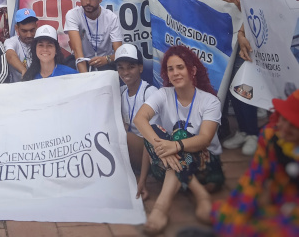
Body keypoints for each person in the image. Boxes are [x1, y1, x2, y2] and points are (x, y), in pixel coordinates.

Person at [134, 45, 223, 236]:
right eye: (170, 69)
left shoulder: (210, 101)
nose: (175, 73)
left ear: (192, 70)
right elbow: (140, 120)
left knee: (179, 135)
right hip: (170, 163)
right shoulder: (163, 94)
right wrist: (143, 178)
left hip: (206, 167)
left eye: (180, 67)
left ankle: (161, 208)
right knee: (154, 130)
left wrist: (175, 145)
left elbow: (205, 139)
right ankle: (200, 194)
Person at [212, 89, 299, 237]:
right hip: (278, 203)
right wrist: (240, 213)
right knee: (224, 215)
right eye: (284, 119)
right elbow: (253, 178)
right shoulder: (271, 137)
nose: (284, 128)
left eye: (294, 125)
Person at [66, 0, 123, 72]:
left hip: (104, 61)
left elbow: (119, 53)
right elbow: (77, 50)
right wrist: (86, 79)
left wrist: (106, 59)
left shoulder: (111, 18)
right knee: (69, 66)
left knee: (117, 67)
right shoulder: (73, 15)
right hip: (81, 59)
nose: (88, 2)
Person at [115, 44, 157, 172]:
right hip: (132, 149)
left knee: (122, 136)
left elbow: (154, 136)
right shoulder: (121, 92)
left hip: (151, 151)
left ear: (140, 68)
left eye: (131, 67)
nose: (125, 72)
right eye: (120, 68)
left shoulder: (149, 92)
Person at [4, 8, 38, 82]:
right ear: (16, 28)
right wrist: (24, 71)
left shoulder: (41, 41)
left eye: (32, 30)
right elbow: (10, 56)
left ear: (36, 26)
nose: (29, 35)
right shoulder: (11, 41)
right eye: (24, 31)